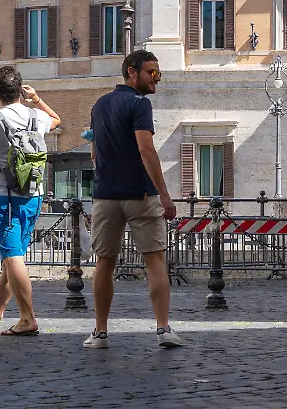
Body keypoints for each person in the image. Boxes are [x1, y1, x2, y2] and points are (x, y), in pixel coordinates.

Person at [85, 50, 182, 349]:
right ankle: (163, 329)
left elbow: (94, 153)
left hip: (105, 196)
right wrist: (164, 195)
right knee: (155, 260)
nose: (157, 78)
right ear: (131, 71)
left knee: (104, 263)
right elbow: (146, 149)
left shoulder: (99, 104)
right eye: (152, 72)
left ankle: (100, 332)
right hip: (141, 194)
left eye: (158, 73)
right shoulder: (140, 104)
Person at [0, 67, 60, 336]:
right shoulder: (37, 116)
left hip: (3, 197)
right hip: (33, 196)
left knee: (12, 257)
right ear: (21, 89)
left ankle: (27, 318)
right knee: (12, 259)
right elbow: (56, 119)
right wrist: (37, 99)